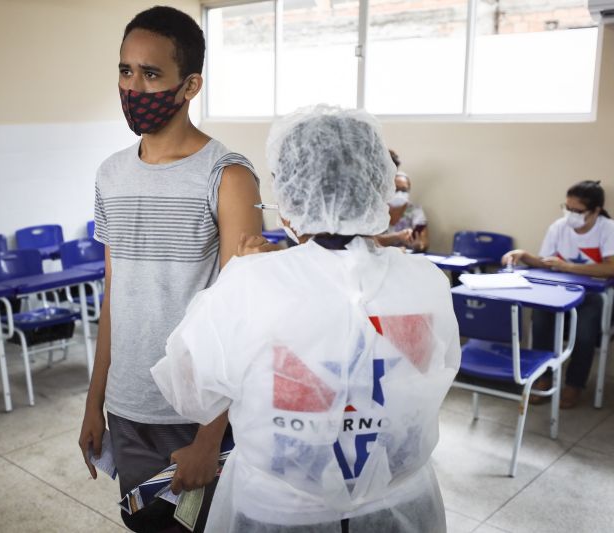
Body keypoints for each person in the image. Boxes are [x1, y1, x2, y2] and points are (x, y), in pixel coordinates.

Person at [151, 106, 460, 532]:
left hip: (282, 513)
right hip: (401, 507)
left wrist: (242, 273)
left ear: (293, 193)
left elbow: (189, 389)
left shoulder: (251, 282)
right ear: (377, 185)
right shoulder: (426, 280)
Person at [77, 6, 263, 532]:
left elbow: (241, 316)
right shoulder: (110, 174)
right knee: (146, 528)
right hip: (128, 408)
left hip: (198, 411)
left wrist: (210, 435)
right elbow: (114, 296)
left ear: (190, 85)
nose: (134, 87)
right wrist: (95, 402)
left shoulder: (226, 176)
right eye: (125, 71)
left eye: (151, 74)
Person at [502, 180, 614, 409]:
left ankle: (574, 384)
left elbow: (610, 267)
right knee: (540, 321)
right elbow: (547, 263)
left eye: (577, 211)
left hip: (592, 296)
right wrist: (522, 254)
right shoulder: (558, 227)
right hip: (559, 292)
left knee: (584, 331)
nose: (570, 215)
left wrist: (570, 267)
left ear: (596, 211)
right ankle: (545, 378)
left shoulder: (607, 228)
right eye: (567, 208)